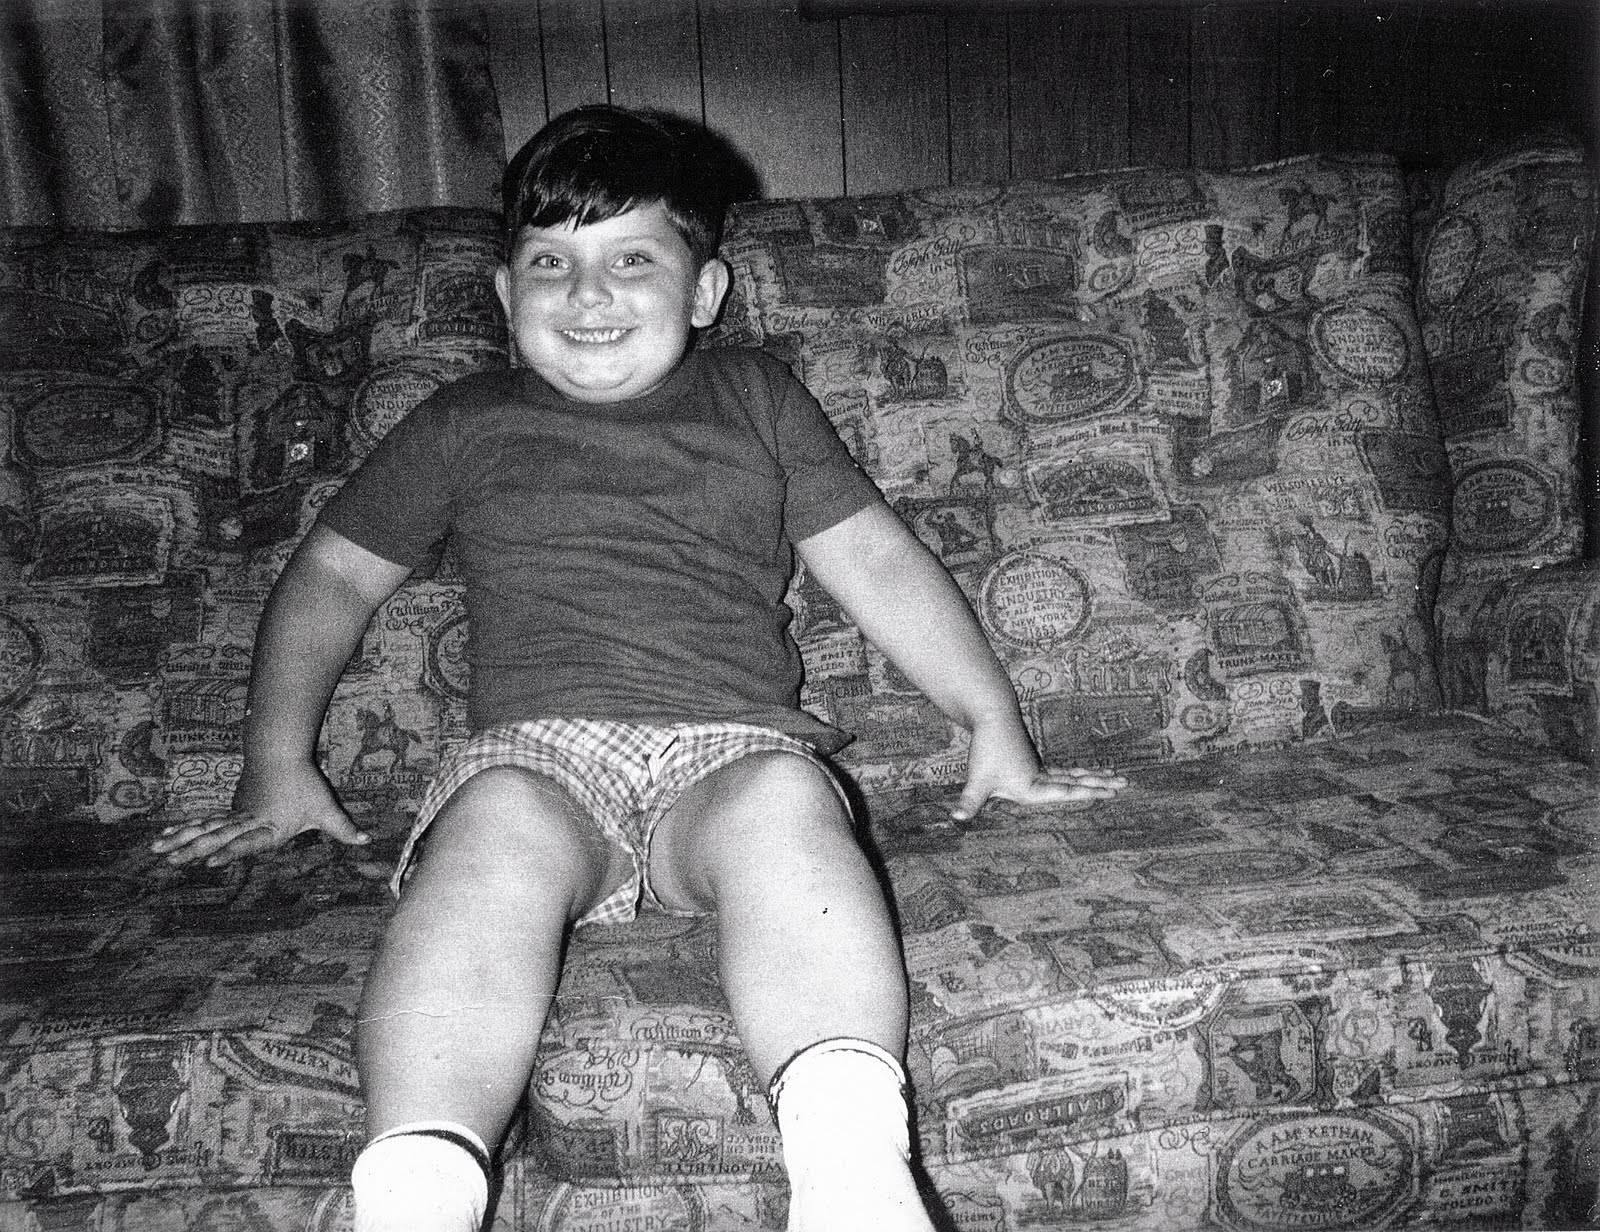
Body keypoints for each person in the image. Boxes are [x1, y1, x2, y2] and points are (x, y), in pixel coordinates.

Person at [151, 105, 1125, 1232]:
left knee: (787, 804)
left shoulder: (756, 396)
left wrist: (991, 721)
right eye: (549, 263)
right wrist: (276, 760)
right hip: (538, 756)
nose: (588, 293)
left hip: (731, 747)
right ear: (505, 294)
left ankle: (854, 1172)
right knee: (490, 831)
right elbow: (330, 576)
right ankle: (417, 1194)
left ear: (703, 292)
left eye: (631, 260)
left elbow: (875, 562)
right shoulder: (465, 419)